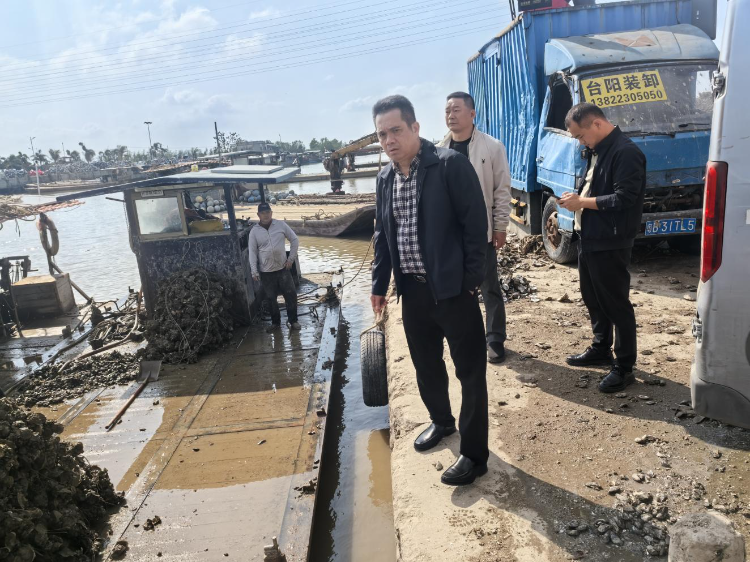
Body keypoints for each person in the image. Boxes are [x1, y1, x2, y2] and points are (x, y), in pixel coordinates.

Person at [370, 94, 489, 485]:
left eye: (396, 130)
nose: (389, 140)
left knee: (470, 373)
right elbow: (383, 236)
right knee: (426, 366)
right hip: (413, 292)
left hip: (453, 291)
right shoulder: (385, 178)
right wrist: (379, 284)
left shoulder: (449, 165)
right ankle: (442, 421)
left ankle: (474, 455)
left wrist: (470, 283)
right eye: (382, 134)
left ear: (415, 127)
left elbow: (476, 227)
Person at [559, 103, 646, 393]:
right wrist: (578, 197)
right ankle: (600, 348)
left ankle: (624, 366)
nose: (580, 142)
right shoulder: (599, 150)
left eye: (580, 136)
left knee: (616, 303)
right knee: (593, 297)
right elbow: (596, 187)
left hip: (611, 240)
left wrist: (581, 202)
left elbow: (624, 198)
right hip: (590, 237)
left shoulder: (626, 152)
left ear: (596, 124)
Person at [438, 91, 512, 364]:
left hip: (481, 232)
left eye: (456, 110)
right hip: (450, 236)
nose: (450, 115)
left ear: (472, 114)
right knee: (456, 288)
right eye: (447, 110)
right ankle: (467, 337)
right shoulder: (438, 150)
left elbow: (501, 189)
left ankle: (495, 338)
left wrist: (500, 226)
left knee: (489, 286)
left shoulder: (492, 147)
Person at [248, 202, 301, 331]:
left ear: (271, 213)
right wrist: (254, 271)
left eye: (268, 212)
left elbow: (294, 239)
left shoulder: (280, 225)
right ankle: (275, 324)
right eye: (263, 213)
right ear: (258, 215)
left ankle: (293, 321)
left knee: (290, 295)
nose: (266, 215)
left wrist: (291, 259)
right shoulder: (254, 231)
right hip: (266, 272)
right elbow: (252, 252)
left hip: (283, 268)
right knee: (271, 298)